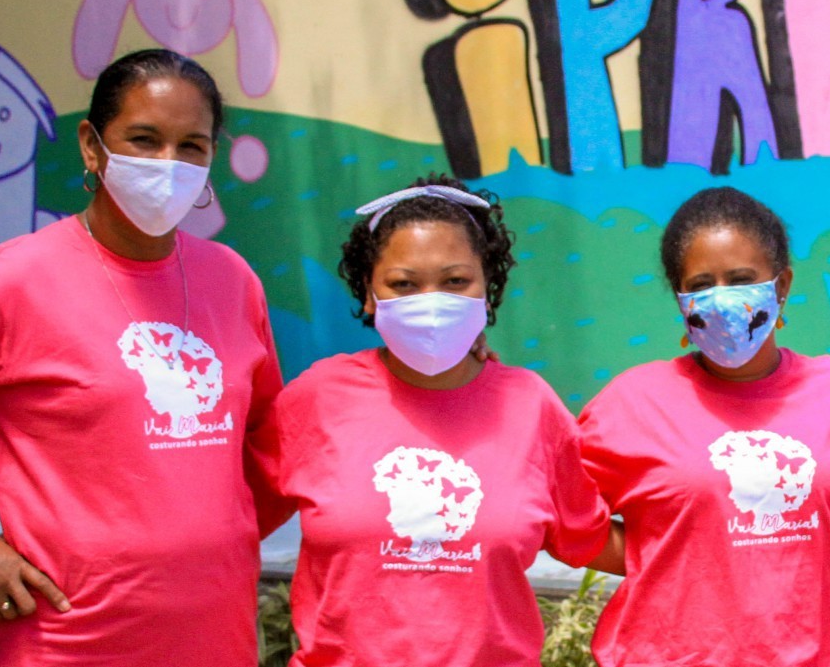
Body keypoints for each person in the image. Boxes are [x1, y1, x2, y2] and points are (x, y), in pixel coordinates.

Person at [0, 50, 283, 666]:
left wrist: (202, 546)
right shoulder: (10, 283)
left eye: (191, 146)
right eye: (143, 139)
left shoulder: (232, 279)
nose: (167, 164)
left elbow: (265, 444)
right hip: (68, 641)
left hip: (214, 639)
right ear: (92, 146)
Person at [258, 175, 611, 666]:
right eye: (403, 284)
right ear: (367, 291)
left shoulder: (531, 408)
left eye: (454, 281)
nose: (430, 301)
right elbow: (232, 522)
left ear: (486, 285)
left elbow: (589, 538)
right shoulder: (317, 399)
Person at [575, 187, 830, 666]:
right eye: (700, 284)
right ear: (680, 298)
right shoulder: (631, 402)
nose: (720, 299)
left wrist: (823, 561)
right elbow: (555, 512)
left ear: (781, 286)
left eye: (741, 279)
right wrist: (660, 557)